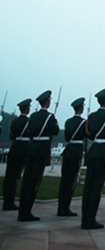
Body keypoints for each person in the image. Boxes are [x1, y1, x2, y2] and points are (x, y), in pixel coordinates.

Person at [81, 88, 105, 230]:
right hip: (103, 152)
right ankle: (91, 219)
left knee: (88, 186)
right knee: (97, 187)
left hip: (94, 150)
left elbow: (89, 134)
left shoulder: (91, 116)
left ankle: (85, 218)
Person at [18, 90, 59, 221]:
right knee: (34, 180)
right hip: (42, 149)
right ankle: (26, 212)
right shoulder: (49, 117)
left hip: (32, 147)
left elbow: (29, 130)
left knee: (27, 180)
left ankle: (22, 210)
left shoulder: (33, 116)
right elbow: (56, 130)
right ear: (47, 102)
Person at [57, 97, 86, 217]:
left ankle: (61, 207)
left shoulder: (68, 122)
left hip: (68, 150)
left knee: (64, 180)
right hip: (76, 151)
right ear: (81, 108)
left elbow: (67, 137)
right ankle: (66, 208)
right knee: (72, 180)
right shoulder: (84, 122)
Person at [2, 98, 32, 211]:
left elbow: (11, 136)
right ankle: (10, 202)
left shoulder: (14, 121)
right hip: (24, 147)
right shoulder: (28, 122)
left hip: (15, 147)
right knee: (16, 176)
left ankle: (7, 200)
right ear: (27, 109)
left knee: (10, 175)